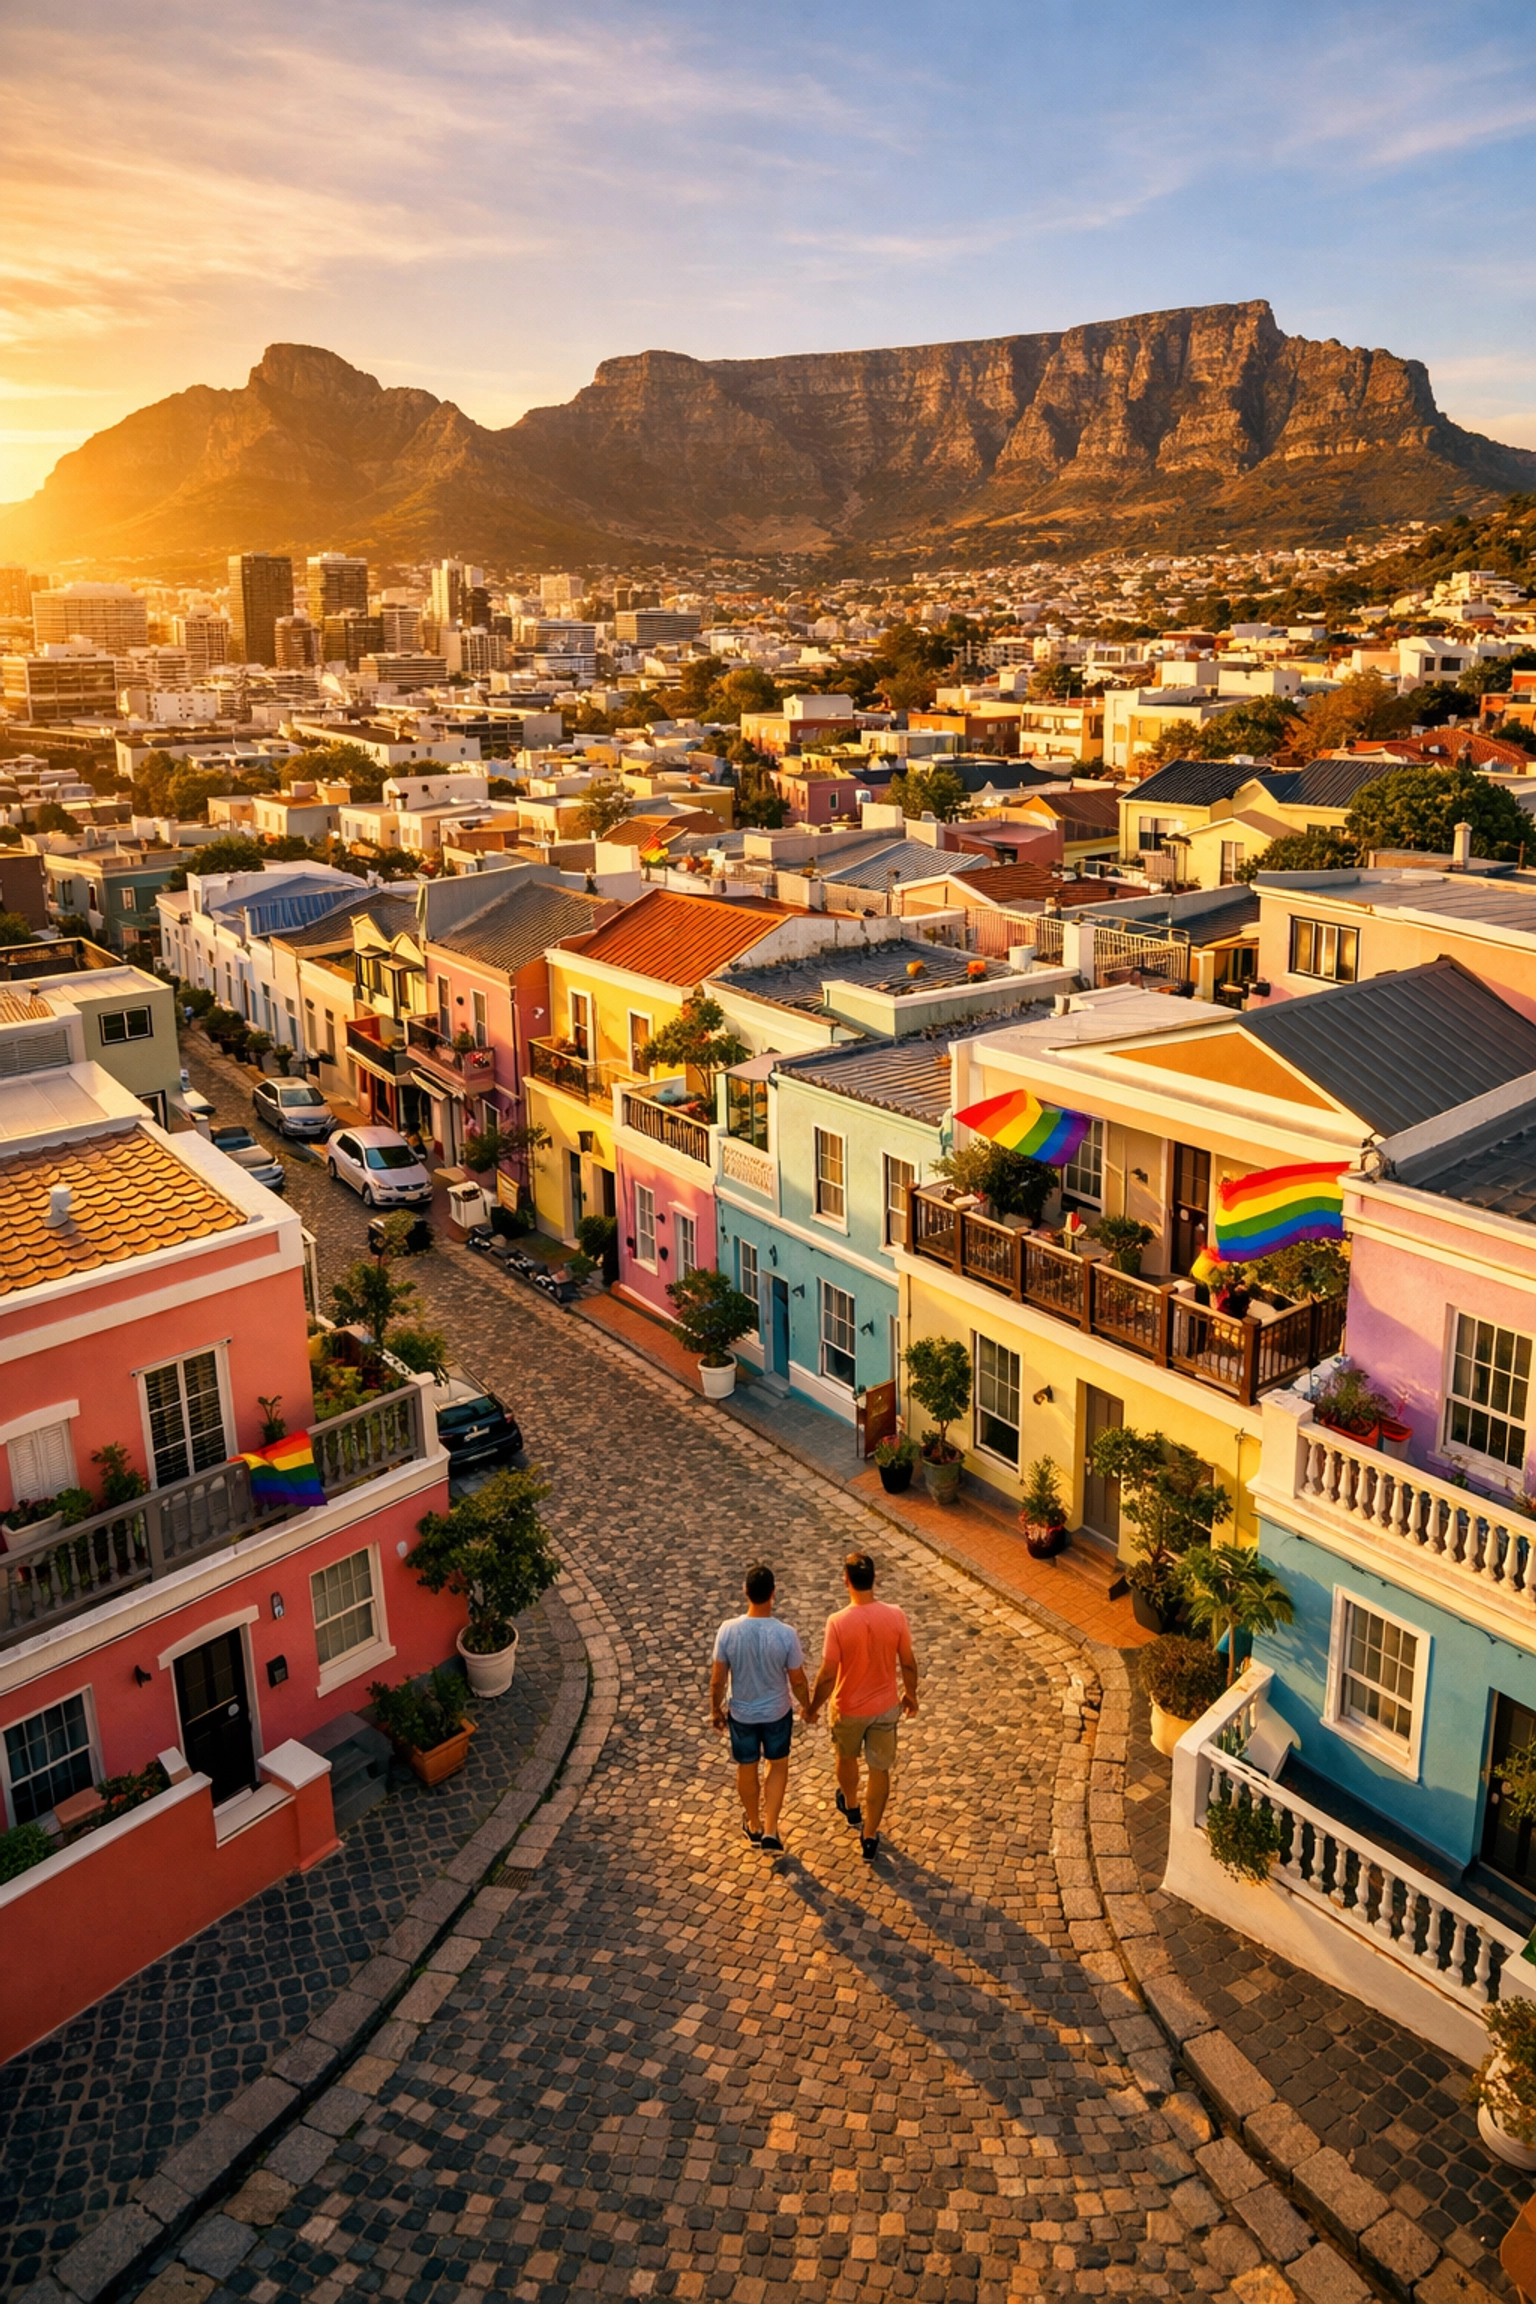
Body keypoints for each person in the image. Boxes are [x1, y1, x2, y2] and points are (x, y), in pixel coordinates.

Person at [806, 1551, 919, 1863]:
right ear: (875, 1579)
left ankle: (852, 1804)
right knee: (880, 1769)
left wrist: (814, 1706)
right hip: (885, 1707)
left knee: (846, 1757)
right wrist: (911, 1695)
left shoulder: (838, 1622)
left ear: (846, 1581)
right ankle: (870, 1835)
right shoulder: (896, 1616)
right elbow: (908, 1663)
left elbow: (828, 1673)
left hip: (849, 1708)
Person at [710, 1564, 809, 1854]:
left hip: (741, 1714)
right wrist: (809, 1706)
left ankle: (753, 1823)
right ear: (773, 1594)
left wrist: (715, 1710)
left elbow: (718, 1679)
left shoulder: (728, 1630)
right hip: (777, 1712)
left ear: (745, 1592)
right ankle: (771, 1829)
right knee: (777, 1766)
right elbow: (798, 1680)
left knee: (747, 1766)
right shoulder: (786, 1634)